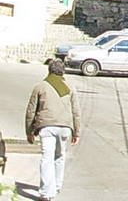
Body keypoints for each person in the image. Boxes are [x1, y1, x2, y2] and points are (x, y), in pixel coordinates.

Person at [25, 59, 81, 201]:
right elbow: (76, 111)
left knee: (47, 158)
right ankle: (56, 187)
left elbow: (31, 110)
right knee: (60, 156)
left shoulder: (40, 86)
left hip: (46, 127)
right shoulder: (70, 87)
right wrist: (76, 132)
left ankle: (45, 193)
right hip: (65, 128)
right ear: (63, 71)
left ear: (49, 70)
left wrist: (29, 131)